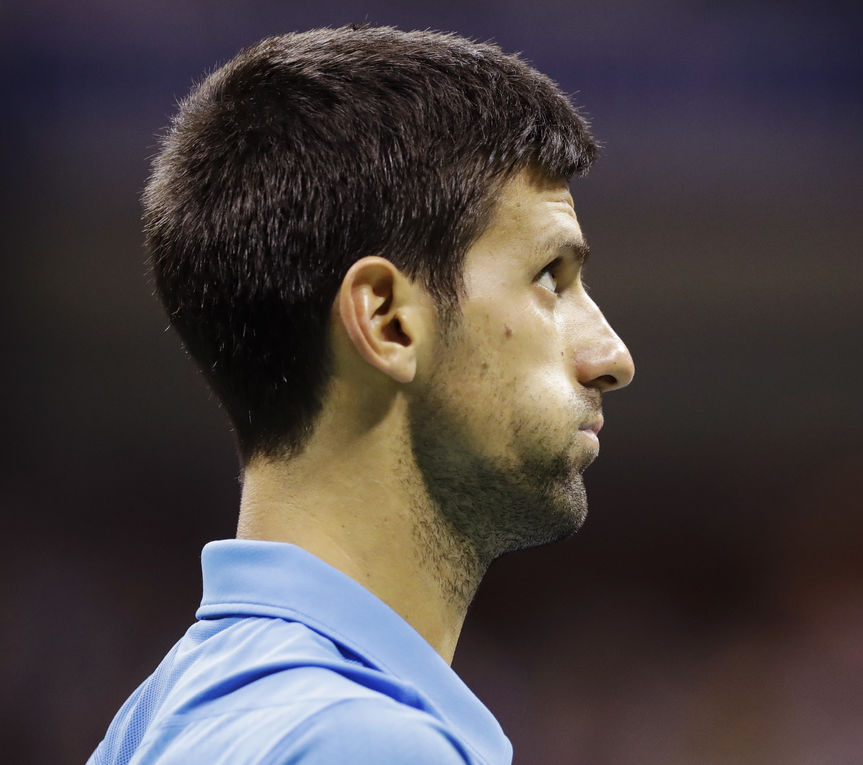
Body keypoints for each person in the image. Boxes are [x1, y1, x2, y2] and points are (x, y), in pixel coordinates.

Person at [88, 25, 634, 764]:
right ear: (386, 320)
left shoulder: (155, 720)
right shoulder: (364, 742)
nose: (612, 357)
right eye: (550, 277)